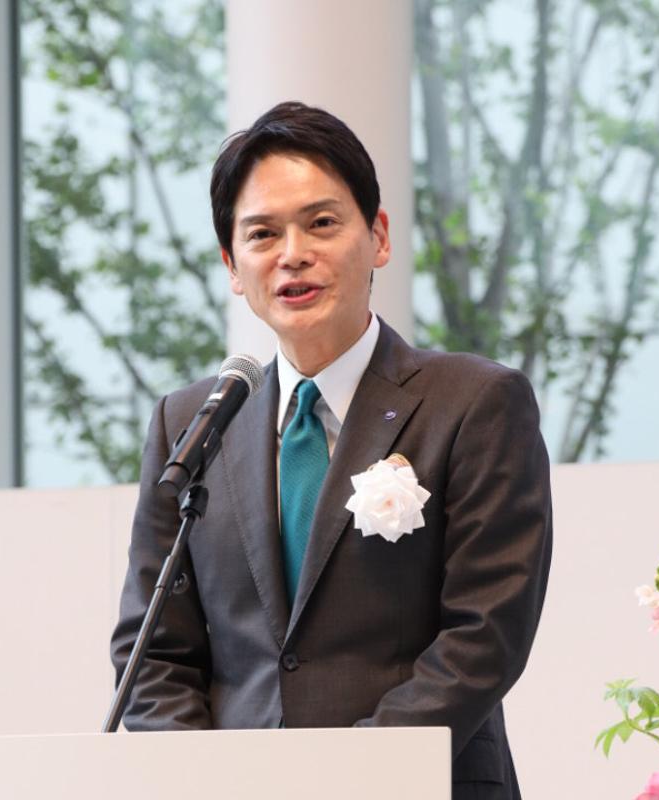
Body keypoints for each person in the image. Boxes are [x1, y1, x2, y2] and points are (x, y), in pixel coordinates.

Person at [111, 101, 552, 800]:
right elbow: (153, 654)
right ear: (232, 265)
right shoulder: (190, 423)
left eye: (321, 223)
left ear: (378, 237)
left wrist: (348, 781)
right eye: (262, 233)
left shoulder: (475, 403)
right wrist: (208, 785)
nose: (293, 253)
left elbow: (484, 635)